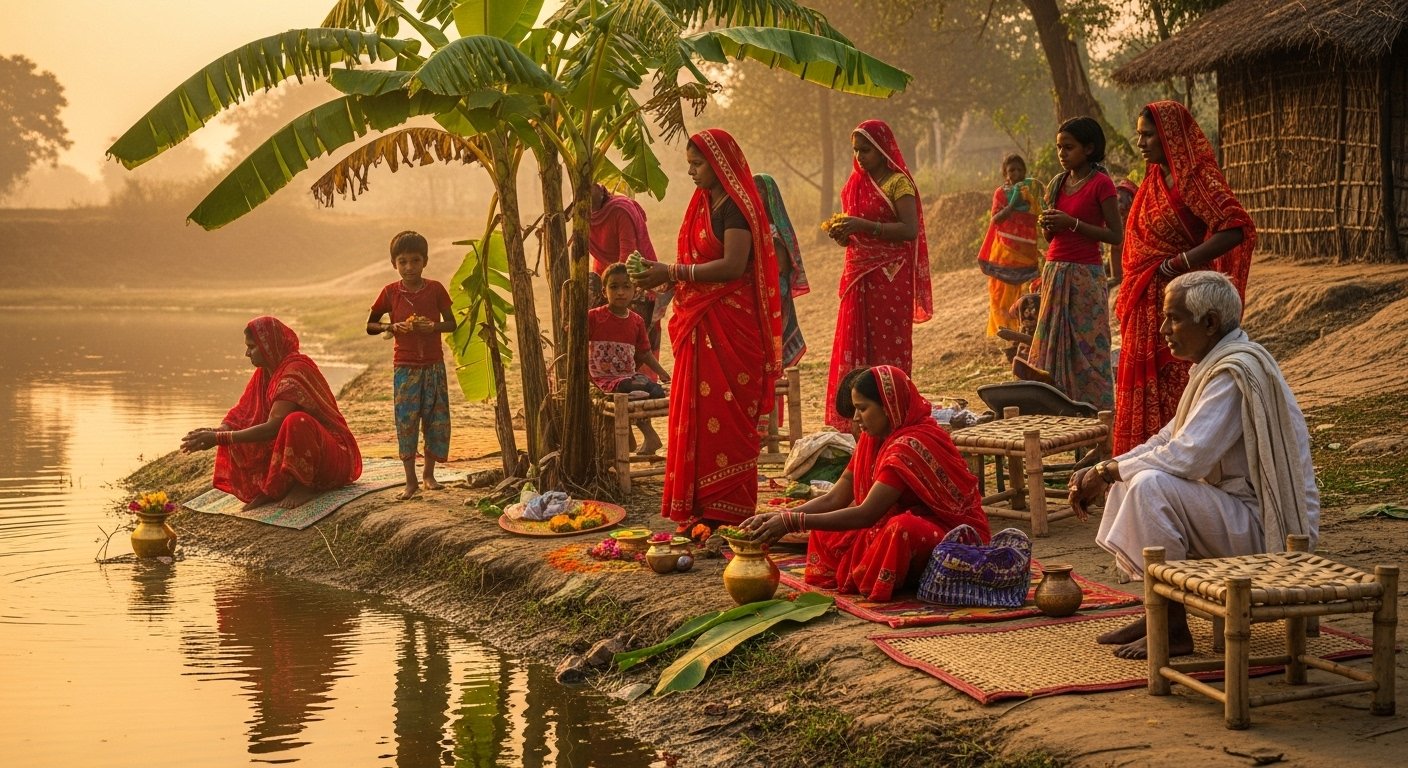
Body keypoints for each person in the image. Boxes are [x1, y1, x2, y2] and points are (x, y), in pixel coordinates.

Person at [1068, 272, 1318, 659]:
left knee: (1149, 483)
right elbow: (1167, 440)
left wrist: (1106, 472)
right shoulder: (1216, 364)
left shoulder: (1233, 374)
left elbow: (1187, 457)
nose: (1165, 329)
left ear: (1211, 323)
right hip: (1240, 513)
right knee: (1133, 474)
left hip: (1270, 525)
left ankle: (1172, 627)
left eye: (1175, 318)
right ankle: (1158, 613)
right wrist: (1109, 467)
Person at [631, 128, 782, 531]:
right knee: (699, 414)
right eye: (689, 165)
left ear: (719, 164)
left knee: (729, 415)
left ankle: (728, 510)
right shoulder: (702, 204)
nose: (692, 172)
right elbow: (694, 263)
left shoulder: (736, 205)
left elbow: (733, 266)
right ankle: (701, 509)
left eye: (697, 164)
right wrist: (663, 277)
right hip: (701, 322)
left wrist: (674, 271)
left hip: (733, 325)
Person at [743, 365, 989, 602]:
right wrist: (783, 516)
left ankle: (899, 577)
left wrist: (792, 523)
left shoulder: (908, 446)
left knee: (901, 528)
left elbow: (867, 514)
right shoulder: (872, 440)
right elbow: (834, 498)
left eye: (863, 408)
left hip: (951, 537)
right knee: (826, 528)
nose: (856, 418)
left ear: (889, 407)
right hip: (889, 522)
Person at [1113, 100, 1255, 456]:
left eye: (1148, 135)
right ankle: (1142, 462)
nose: (1141, 143)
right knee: (1148, 386)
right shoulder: (1153, 180)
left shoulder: (1195, 177)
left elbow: (1236, 227)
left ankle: (1182, 461)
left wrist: (1180, 262)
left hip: (1178, 299)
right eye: (1139, 135)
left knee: (1177, 379)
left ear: (1170, 136)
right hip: (1148, 296)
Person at [181, 316, 363, 510]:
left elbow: (273, 427)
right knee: (254, 428)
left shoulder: (295, 370)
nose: (246, 353)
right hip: (308, 449)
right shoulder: (267, 372)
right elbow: (242, 413)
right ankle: (274, 488)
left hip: (334, 456)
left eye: (252, 347)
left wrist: (220, 438)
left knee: (296, 421)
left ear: (268, 346)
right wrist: (219, 430)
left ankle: (304, 485)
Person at [823, 119, 934, 430]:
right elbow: (855, 232)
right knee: (858, 344)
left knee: (887, 348)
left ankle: (894, 416)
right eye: (856, 151)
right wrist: (844, 234)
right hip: (860, 276)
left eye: (867, 150)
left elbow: (910, 229)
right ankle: (856, 422)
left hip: (891, 276)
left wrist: (863, 226)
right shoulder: (854, 185)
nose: (860, 157)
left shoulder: (898, 183)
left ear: (883, 149)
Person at [1033, 116, 1124, 411]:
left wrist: (1072, 223)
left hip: (1085, 274)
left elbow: (1114, 234)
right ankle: (1057, 411)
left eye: (1068, 147)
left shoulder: (1102, 184)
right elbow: (1051, 237)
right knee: (1054, 346)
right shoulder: (1058, 184)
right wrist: (1047, 223)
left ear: (1089, 148)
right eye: (1059, 147)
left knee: (1088, 348)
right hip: (1055, 271)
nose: (1062, 154)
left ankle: (1097, 416)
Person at [365, 231, 457, 500]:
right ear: (394, 263)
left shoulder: (436, 289)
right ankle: (411, 481)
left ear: (425, 261)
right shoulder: (390, 293)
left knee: (435, 419)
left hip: (433, 366)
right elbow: (371, 326)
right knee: (406, 422)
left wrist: (433, 327)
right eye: (403, 262)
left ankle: (429, 475)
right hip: (404, 368)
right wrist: (392, 326)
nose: (409, 267)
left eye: (415, 261)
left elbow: (451, 323)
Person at [589, 262, 672, 455]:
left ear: (635, 292)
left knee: (654, 389)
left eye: (626, 287)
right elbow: (576, 343)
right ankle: (630, 439)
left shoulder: (636, 321)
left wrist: (662, 373)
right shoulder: (593, 317)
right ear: (604, 292)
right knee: (629, 388)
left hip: (628, 375)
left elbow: (644, 352)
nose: (620, 292)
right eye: (614, 287)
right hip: (604, 379)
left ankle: (649, 438)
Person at [588, 182, 665, 367]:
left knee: (637, 341)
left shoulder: (620, 211)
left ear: (598, 188)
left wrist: (615, 291)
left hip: (635, 282)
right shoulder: (583, 214)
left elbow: (627, 259)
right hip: (606, 281)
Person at [977, 153, 1043, 341]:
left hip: (1027, 252)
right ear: (1005, 174)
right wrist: (1012, 206)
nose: (1016, 173)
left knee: (1026, 294)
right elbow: (996, 218)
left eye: (1020, 169)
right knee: (1002, 295)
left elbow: (1039, 212)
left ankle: (1026, 333)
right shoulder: (1001, 193)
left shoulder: (1031, 189)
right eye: (1011, 170)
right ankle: (1007, 337)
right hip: (1005, 253)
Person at [753, 173, 811, 368]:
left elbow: (779, 270)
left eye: (760, 190)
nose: (755, 194)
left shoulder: (775, 231)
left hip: (774, 293)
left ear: (771, 197)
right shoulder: (754, 229)